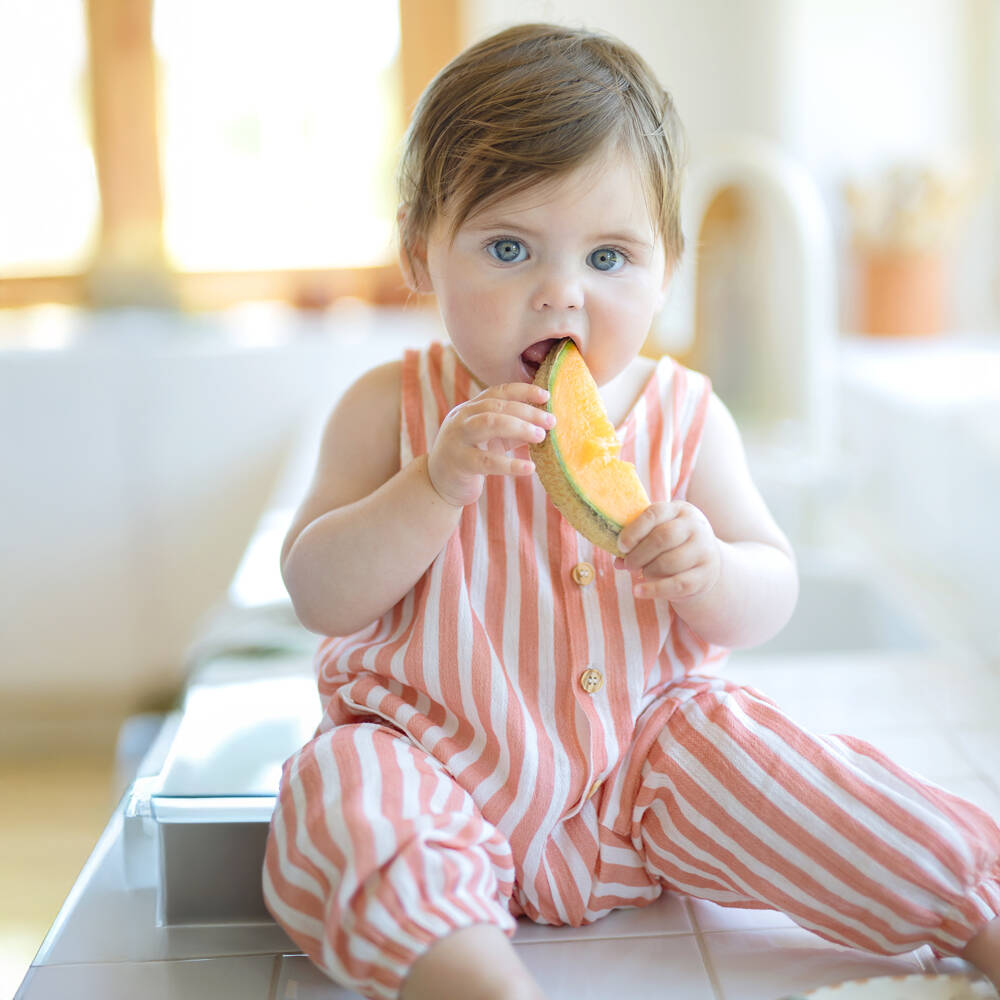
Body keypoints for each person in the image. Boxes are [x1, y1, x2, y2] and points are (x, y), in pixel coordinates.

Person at [263, 22, 1000, 1000]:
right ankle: (472, 976)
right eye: (509, 247)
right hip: (431, 761)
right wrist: (431, 485)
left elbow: (766, 589)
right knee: (339, 794)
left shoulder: (684, 417)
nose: (560, 294)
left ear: (666, 263)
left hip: (647, 771)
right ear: (419, 252)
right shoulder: (387, 408)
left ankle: (972, 903)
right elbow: (317, 589)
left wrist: (712, 571)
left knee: (781, 764)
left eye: (609, 258)